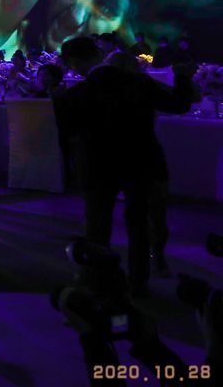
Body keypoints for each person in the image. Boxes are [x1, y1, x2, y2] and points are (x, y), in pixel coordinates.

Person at [56, 37, 195, 294]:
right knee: (138, 223)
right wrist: (183, 78)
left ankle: (100, 280)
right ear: (98, 54)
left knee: (98, 225)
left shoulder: (77, 93)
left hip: (97, 166)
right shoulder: (139, 83)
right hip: (139, 161)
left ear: (73, 62)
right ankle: (138, 280)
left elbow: (67, 134)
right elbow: (180, 105)